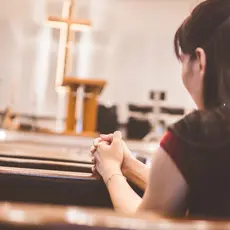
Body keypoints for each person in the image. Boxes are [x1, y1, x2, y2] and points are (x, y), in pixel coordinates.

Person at [91, 0, 230, 219]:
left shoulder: (194, 135)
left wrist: (110, 170)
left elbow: (145, 223)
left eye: (183, 61)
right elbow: (194, 184)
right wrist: (129, 166)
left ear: (200, 61)